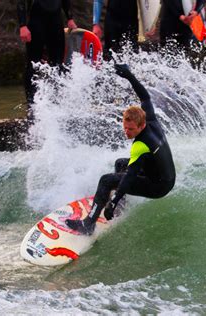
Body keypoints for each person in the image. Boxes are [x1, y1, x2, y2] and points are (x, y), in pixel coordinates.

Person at [66, 64, 176, 235]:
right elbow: (145, 97)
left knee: (106, 181)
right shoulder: (151, 121)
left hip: (159, 187)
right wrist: (130, 76)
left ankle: (88, 225)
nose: (127, 132)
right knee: (120, 163)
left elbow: (130, 176)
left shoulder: (141, 145)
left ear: (141, 126)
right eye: (125, 128)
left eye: (131, 130)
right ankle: (121, 207)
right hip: (165, 176)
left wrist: (113, 202)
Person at [17, 0, 77, 111]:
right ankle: (32, 105)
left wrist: (70, 18)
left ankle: (56, 102)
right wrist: (22, 25)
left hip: (56, 22)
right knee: (33, 63)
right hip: (36, 22)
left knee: (58, 64)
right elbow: (21, 2)